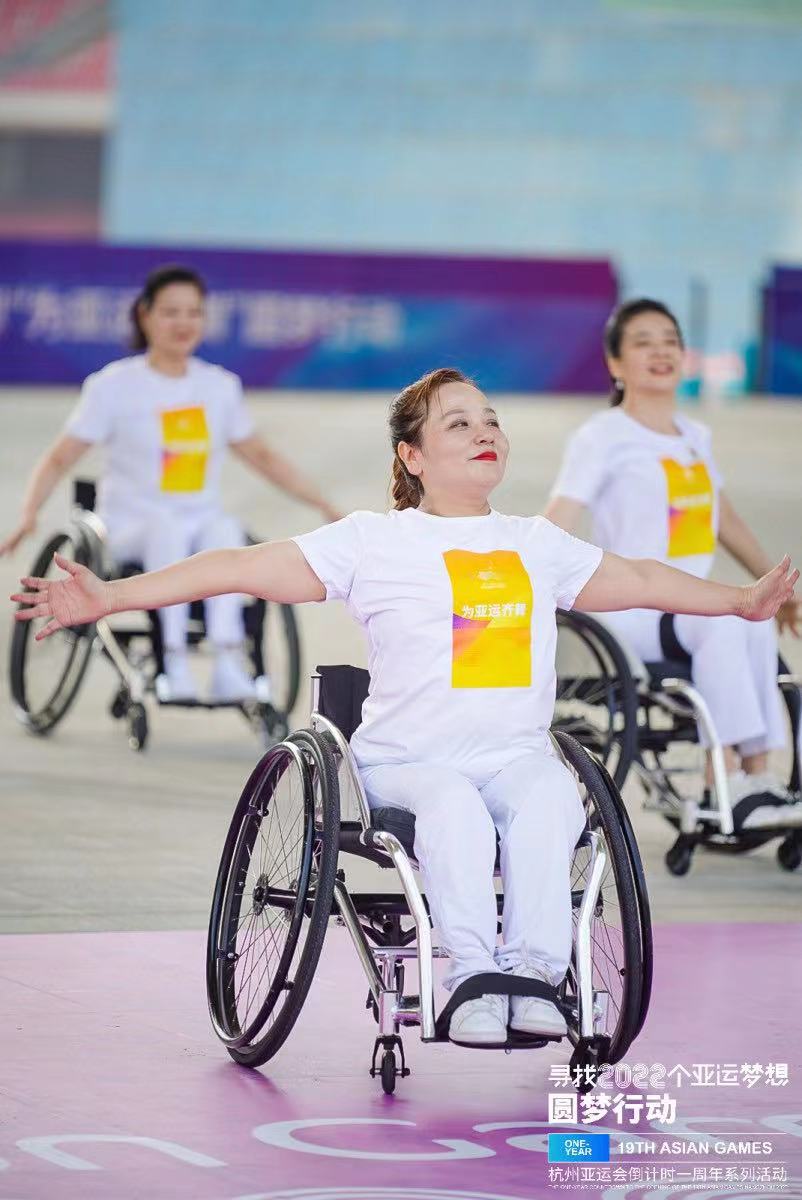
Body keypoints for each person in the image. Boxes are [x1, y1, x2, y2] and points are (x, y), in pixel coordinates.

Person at [10, 368, 796, 1046]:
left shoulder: (535, 543)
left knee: (555, 799)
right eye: (459, 423)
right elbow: (239, 566)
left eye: (491, 420)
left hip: (515, 755)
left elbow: (644, 580)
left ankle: (534, 978)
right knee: (454, 808)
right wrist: (112, 596)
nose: (485, 432)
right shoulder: (372, 542)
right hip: (408, 763)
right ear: (412, 457)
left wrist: (741, 601)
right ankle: (474, 979)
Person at [1, 264, 340, 704]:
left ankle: (228, 661)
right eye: (170, 312)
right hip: (128, 525)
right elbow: (60, 457)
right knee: (168, 529)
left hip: (199, 522)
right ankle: (172, 659)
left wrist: (322, 503)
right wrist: (29, 513)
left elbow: (264, 458)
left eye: (193, 313)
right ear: (145, 316)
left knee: (226, 532)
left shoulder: (218, 387)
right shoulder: (113, 386)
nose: (183, 323)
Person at [545, 297, 802, 826]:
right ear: (615, 363)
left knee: (750, 619)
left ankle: (756, 781)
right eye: (644, 342)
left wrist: (775, 589)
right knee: (724, 621)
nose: (661, 352)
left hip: (687, 602)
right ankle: (722, 783)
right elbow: (559, 517)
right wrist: (522, 577)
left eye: (670, 342)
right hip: (630, 608)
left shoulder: (694, 436)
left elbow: (723, 518)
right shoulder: (602, 436)